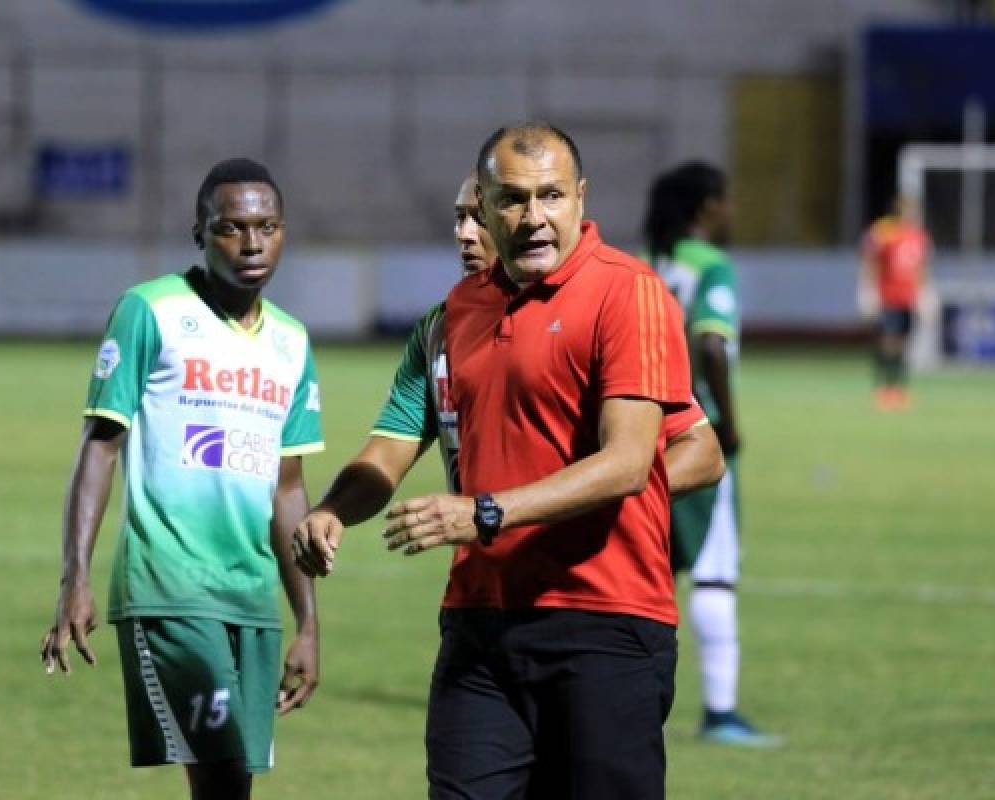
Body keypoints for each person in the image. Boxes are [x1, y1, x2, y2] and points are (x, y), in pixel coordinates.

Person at [300, 122, 705, 799]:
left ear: (581, 197)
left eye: (551, 196)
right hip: (480, 619)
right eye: (513, 200)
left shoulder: (627, 292)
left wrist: (487, 511)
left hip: (603, 617)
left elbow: (634, 460)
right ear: (483, 206)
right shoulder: (454, 314)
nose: (534, 216)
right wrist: (334, 509)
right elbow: (394, 444)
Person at [39, 158, 324, 800]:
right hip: (168, 590)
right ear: (199, 233)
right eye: (231, 228)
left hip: (251, 600)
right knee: (222, 779)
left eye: (267, 226)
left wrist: (307, 622)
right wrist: (75, 579)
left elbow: (288, 489)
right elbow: (101, 446)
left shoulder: (292, 342)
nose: (252, 244)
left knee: (231, 787)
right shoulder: (150, 311)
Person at [644, 161, 781, 747]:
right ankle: (721, 713)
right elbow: (711, 342)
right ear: (707, 208)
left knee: (652, 571)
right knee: (716, 569)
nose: (732, 212)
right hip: (698, 434)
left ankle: (625, 696)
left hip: (645, 432)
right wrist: (728, 424)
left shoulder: (654, 267)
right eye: (725, 201)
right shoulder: (712, 267)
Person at [859, 194, 932, 410]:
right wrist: (868, 290)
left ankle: (900, 389)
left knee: (904, 343)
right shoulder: (884, 232)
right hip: (888, 295)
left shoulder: (919, 236)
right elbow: (870, 260)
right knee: (888, 340)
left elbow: (921, 267)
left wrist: (925, 293)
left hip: (908, 298)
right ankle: (883, 387)